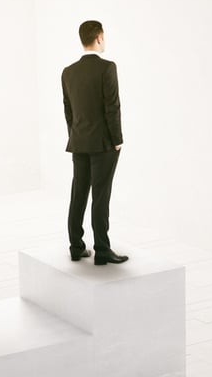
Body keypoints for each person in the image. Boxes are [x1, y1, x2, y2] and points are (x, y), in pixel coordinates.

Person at [62, 20, 129, 265]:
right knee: (101, 196)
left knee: (78, 194)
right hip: (103, 144)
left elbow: (68, 110)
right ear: (99, 37)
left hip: (78, 142)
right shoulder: (107, 68)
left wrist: (75, 135)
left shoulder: (68, 72)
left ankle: (76, 247)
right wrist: (117, 139)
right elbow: (112, 107)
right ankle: (101, 249)